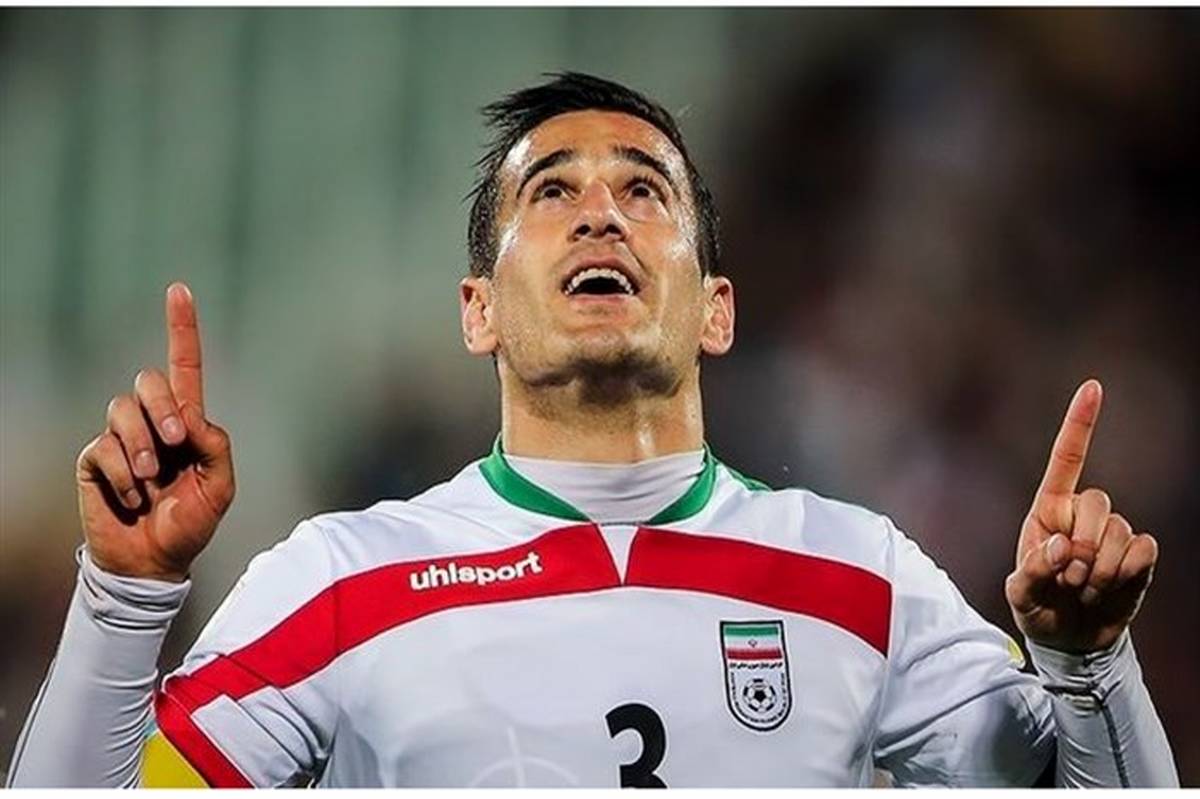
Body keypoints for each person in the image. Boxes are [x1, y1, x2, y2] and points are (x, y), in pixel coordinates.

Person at [6, 72, 1179, 788]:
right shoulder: (340, 583)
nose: (601, 214)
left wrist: (1089, 661)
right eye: (551, 191)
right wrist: (125, 595)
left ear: (716, 307)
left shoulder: (860, 575)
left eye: (645, 190)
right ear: (478, 310)